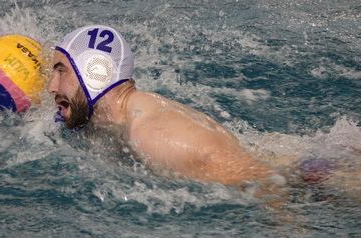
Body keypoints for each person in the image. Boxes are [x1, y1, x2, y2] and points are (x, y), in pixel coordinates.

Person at [47, 25, 285, 186]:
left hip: (308, 176)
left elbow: (263, 177)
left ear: (96, 73)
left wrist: (286, 235)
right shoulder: (116, 117)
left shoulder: (151, 133)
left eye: (61, 71)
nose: (51, 87)